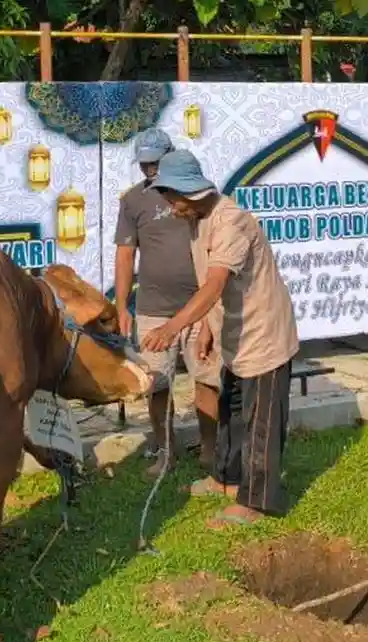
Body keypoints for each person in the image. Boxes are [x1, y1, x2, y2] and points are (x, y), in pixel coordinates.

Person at [139, 149, 299, 529]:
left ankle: (256, 502)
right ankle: (225, 479)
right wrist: (209, 329)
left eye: (170, 198)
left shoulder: (230, 222)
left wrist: (172, 328)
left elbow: (213, 286)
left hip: (263, 332)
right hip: (235, 332)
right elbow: (212, 285)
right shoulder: (199, 218)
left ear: (188, 192)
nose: (169, 206)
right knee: (232, 410)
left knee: (261, 421)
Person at [114, 128, 219, 479]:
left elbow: (215, 251)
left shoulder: (198, 195)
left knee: (207, 379)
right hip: (152, 309)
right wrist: (121, 307)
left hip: (200, 305)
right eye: (144, 165)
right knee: (157, 384)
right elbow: (125, 255)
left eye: (155, 163)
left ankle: (209, 450)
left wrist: (209, 316)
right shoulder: (132, 201)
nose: (149, 170)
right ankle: (166, 452)